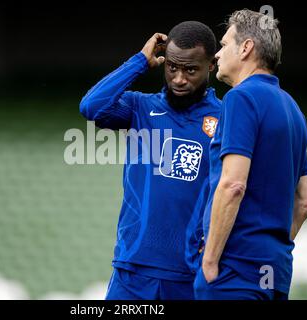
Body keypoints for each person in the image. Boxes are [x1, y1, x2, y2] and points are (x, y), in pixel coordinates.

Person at [80, 21, 221, 300]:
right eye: (172, 67)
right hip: (133, 271)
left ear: (211, 67)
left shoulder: (227, 117)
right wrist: (140, 61)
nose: (179, 78)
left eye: (190, 70)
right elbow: (91, 107)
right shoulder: (140, 107)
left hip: (190, 275)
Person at [192, 9, 307, 300]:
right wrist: (269, 252)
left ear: (246, 48)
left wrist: (210, 260)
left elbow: (233, 185)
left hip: (234, 271)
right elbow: (305, 203)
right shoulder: (293, 109)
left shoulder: (240, 98)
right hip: (275, 272)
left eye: (223, 45)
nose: (217, 55)